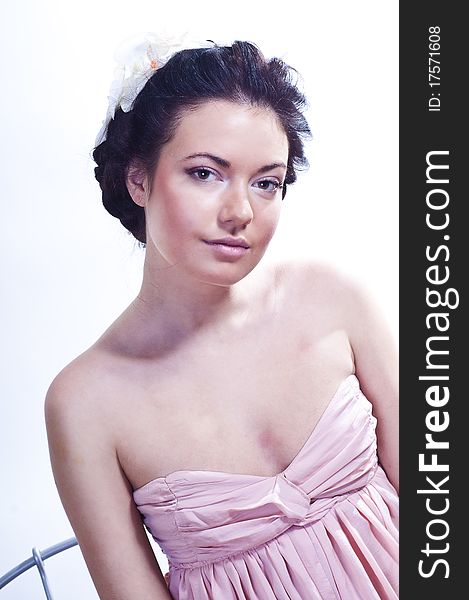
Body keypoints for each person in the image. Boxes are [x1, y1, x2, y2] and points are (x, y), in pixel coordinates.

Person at [45, 33, 398, 600]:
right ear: (139, 179)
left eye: (267, 182)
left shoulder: (333, 297)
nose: (240, 212)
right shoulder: (84, 402)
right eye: (205, 173)